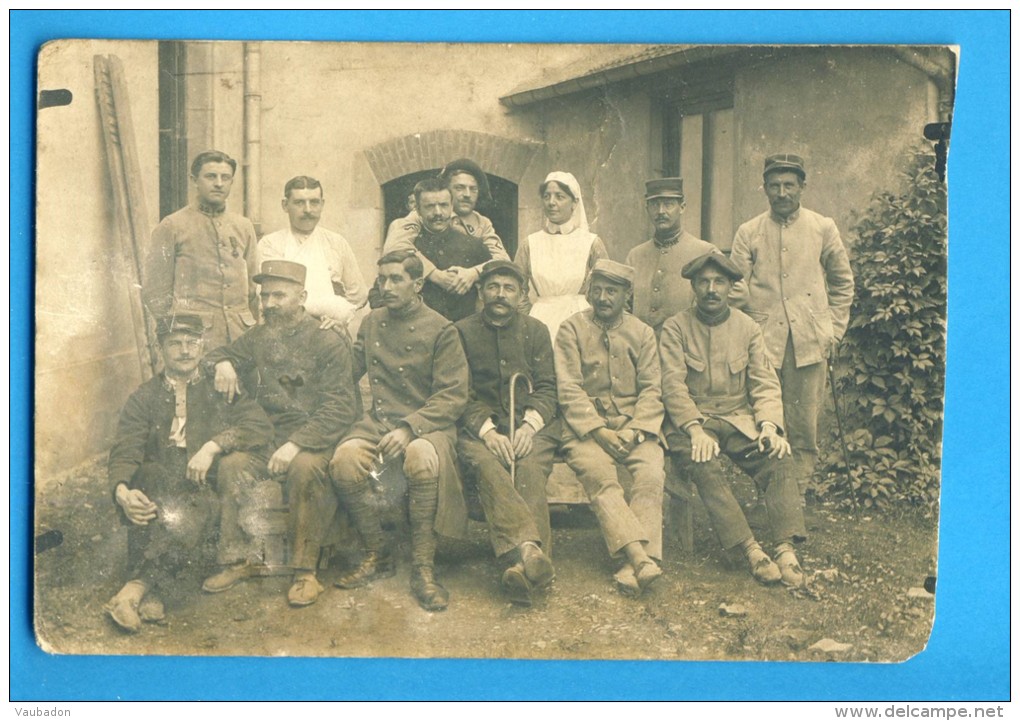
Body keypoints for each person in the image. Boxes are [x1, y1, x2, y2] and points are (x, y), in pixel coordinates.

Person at [204, 260, 360, 607]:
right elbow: (216, 353)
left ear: (302, 297)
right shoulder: (258, 337)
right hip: (266, 438)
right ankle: (237, 559)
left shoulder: (327, 341)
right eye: (265, 296)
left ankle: (306, 572)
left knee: (305, 470)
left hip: (314, 437)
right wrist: (222, 363)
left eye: (279, 295)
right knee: (233, 466)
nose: (270, 304)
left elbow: (340, 407)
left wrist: (296, 444)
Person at [104, 313, 273, 633]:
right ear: (160, 350)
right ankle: (152, 593)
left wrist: (213, 446)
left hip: (199, 481)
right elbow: (126, 448)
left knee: (195, 508)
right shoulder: (145, 396)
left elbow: (258, 427)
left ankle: (135, 591)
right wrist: (122, 491)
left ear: (202, 346)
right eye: (174, 344)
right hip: (159, 479)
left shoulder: (220, 386)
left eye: (192, 343)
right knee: (150, 487)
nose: (185, 351)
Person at [330, 250, 470, 612]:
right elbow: (346, 375)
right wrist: (333, 341)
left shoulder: (442, 328)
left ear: (417, 284)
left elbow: (453, 395)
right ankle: (377, 553)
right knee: (344, 461)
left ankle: (423, 568)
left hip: (429, 425)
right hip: (379, 421)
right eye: (382, 280)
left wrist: (411, 428)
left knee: (421, 457)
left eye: (396, 279)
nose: (386, 286)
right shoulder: (372, 322)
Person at [660, 253, 807, 586]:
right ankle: (750, 549)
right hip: (692, 421)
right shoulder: (675, 328)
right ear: (694, 287)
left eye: (719, 282)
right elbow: (672, 384)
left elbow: (763, 381)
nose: (711, 289)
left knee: (779, 455)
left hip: (739, 418)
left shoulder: (748, 327)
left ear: (730, 287)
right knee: (704, 461)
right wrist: (695, 429)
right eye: (704, 282)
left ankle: (785, 549)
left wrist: (769, 426)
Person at [730, 153, 855, 489]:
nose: (781, 192)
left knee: (803, 422)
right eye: (774, 185)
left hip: (810, 340)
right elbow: (734, 286)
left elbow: (843, 282)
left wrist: (835, 329)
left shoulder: (822, 227)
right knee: (765, 416)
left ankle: (798, 490)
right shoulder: (749, 231)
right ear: (765, 188)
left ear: (802, 186)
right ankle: (771, 487)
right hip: (762, 339)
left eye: (788, 185)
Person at [554, 259, 665, 597]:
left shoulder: (642, 333)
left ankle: (636, 565)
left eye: (611, 291)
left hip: (634, 426)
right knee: (602, 478)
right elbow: (568, 388)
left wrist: (633, 431)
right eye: (597, 289)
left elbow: (652, 389)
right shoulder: (570, 329)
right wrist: (598, 431)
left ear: (626, 295)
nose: (602, 297)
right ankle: (640, 557)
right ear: (588, 291)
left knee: (650, 474)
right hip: (585, 430)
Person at [454, 260, 559, 606]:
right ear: (480, 291)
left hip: (531, 428)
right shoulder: (461, 332)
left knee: (528, 467)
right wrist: (487, 432)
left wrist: (529, 426)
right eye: (493, 287)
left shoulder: (537, 330)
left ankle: (519, 563)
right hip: (478, 431)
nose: (500, 294)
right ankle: (529, 554)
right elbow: (459, 392)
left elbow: (547, 387)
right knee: (486, 464)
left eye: (509, 288)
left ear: (522, 295)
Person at [143, 150, 260, 351]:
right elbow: (156, 292)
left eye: (225, 178)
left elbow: (252, 288)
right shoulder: (172, 226)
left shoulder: (244, 226)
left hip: (241, 337)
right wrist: (178, 338)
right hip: (196, 342)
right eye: (210, 176)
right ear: (194, 180)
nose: (219, 183)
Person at [384, 157, 509, 296]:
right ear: (447, 190)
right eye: (459, 188)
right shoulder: (421, 215)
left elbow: (502, 260)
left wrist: (473, 273)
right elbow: (394, 247)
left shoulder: (482, 222)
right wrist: (434, 273)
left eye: (473, 189)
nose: (467, 194)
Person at [259, 176, 368, 328]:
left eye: (314, 202)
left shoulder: (336, 243)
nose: (308, 210)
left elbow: (358, 295)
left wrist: (339, 317)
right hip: (283, 331)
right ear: (285, 205)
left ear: (322, 204)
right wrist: (330, 304)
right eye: (299, 203)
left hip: (328, 330)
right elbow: (266, 297)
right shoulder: (270, 244)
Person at [514, 171, 609, 337]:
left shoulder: (591, 243)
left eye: (559, 196)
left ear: (574, 202)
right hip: (539, 323)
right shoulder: (530, 243)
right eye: (546, 196)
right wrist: (528, 318)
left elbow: (607, 287)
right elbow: (517, 287)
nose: (551, 202)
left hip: (581, 323)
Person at [625, 177, 720, 335]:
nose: (661, 211)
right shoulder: (635, 256)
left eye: (668, 204)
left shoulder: (705, 251)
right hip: (641, 349)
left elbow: (736, 293)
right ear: (647, 208)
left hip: (686, 347)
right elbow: (624, 304)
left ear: (682, 207)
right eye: (655, 205)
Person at [406, 177, 491, 322]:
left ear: (452, 207)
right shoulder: (408, 245)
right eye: (430, 206)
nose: (438, 212)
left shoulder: (473, 245)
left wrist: (473, 274)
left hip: (462, 335)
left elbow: (498, 276)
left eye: (444, 205)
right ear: (418, 210)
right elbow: (377, 294)